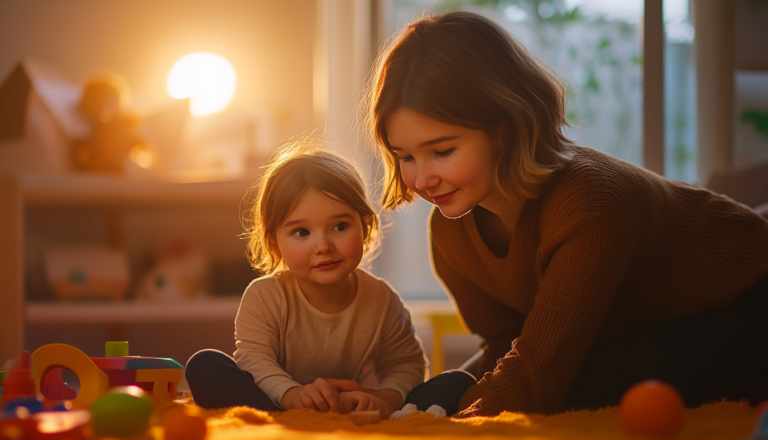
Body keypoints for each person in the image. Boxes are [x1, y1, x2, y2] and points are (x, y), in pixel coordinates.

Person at [365, 11, 768, 416]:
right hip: (637, 329)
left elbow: (534, 377)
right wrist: (411, 408)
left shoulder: (589, 202)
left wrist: (446, 425)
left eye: (442, 151)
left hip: (747, 302)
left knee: (580, 381)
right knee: (456, 385)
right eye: (406, 157)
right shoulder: (451, 232)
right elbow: (507, 344)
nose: (422, 178)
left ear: (505, 127)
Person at [185, 141, 474, 418]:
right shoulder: (265, 296)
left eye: (339, 226)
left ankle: (393, 418)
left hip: (356, 408)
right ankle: (280, 418)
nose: (323, 245)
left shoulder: (381, 299)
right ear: (275, 244)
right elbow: (254, 361)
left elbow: (406, 364)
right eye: (302, 233)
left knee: (459, 383)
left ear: (365, 226)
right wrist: (292, 395)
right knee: (205, 366)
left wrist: (382, 399)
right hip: (277, 403)